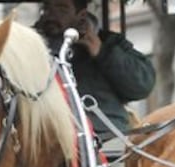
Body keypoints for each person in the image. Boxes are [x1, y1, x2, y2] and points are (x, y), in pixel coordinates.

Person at [35, 0, 155, 139]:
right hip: (46, 138)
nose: (52, 16)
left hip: (106, 136)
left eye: (62, 9)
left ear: (81, 15)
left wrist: (101, 52)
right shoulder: (30, 45)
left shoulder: (110, 43)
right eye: (47, 9)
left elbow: (142, 85)